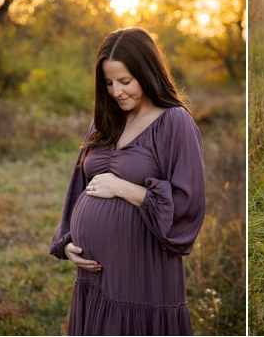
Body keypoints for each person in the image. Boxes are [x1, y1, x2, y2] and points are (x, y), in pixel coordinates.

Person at [50, 28, 206, 335]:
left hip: (141, 272)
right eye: (108, 83)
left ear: (147, 73)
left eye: (125, 81)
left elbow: (188, 205)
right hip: (93, 278)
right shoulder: (104, 120)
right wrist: (68, 240)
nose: (116, 91)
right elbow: (77, 186)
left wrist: (123, 188)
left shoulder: (174, 121)